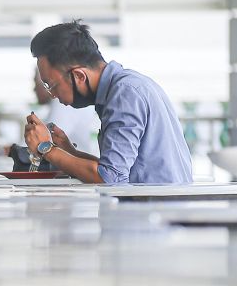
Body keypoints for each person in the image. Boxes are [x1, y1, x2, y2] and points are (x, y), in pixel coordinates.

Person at [23, 21, 193, 185]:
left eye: (51, 85)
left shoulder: (125, 94)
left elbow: (110, 179)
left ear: (79, 76)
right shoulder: (126, 87)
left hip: (157, 210)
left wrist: (45, 148)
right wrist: (69, 151)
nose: (52, 95)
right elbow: (115, 170)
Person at [31, 66, 100, 157]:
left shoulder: (63, 103)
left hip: (77, 166)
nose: (34, 89)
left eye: (37, 84)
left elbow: (44, 141)